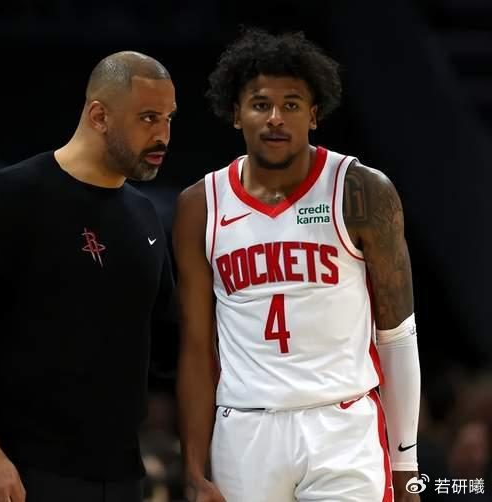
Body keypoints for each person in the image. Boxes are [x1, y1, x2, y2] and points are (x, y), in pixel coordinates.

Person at [0, 51, 177, 502]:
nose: (163, 135)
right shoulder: (8, 196)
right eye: (148, 118)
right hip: (18, 470)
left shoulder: (144, 216)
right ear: (99, 115)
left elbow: (169, 344)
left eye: (169, 119)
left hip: (119, 474)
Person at [174, 29, 421, 502]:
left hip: (341, 425)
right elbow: (197, 348)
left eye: (291, 104)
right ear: (235, 113)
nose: (275, 118)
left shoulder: (361, 191)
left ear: (313, 114)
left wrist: (405, 462)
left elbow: (397, 334)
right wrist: (192, 468)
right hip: (244, 430)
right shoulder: (200, 206)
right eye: (260, 104)